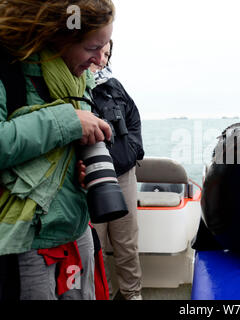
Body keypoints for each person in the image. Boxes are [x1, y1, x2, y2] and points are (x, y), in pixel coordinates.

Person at [0, 0, 115, 300]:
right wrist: (68, 120)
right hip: (25, 241)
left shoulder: (79, 81)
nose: (100, 60)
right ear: (62, 36)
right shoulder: (8, 67)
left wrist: (78, 170)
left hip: (75, 228)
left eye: (105, 47)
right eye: (93, 47)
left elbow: (52, 156)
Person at [89, 40, 145, 300]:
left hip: (123, 175)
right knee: (93, 245)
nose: (102, 58)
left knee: (127, 244)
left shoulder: (114, 86)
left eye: (107, 54)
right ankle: (103, 294)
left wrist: (132, 151)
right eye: (97, 51)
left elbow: (133, 119)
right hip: (88, 181)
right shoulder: (71, 86)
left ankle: (132, 294)